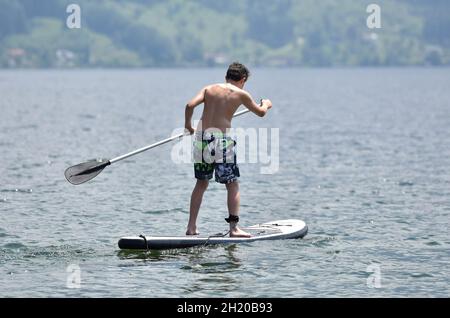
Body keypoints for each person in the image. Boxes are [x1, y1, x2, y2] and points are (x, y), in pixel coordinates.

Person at [184, 62, 272, 237]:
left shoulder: (209, 89)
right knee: (232, 184)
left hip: (201, 139)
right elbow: (260, 112)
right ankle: (234, 229)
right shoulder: (241, 94)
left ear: (226, 77)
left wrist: (188, 126)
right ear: (243, 80)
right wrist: (266, 104)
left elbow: (189, 105)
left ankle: (191, 227)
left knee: (201, 183)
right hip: (222, 141)